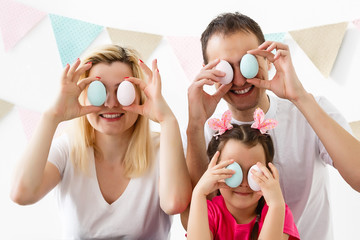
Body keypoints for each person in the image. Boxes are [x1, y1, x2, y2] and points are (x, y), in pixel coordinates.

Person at [182, 12, 360, 240]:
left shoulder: (308, 111)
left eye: (248, 63)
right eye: (226, 69)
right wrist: (195, 126)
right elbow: (197, 221)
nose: (239, 80)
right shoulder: (205, 130)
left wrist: (299, 97)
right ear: (209, 73)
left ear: (267, 58)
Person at [10, 44, 192, 239]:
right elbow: (22, 193)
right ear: (83, 96)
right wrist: (52, 116)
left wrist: (168, 120)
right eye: (99, 90)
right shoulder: (68, 148)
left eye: (123, 90)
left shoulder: (163, 147)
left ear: (140, 95)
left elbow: (175, 203)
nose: (111, 103)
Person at [186, 109, 300, 240]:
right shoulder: (209, 212)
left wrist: (276, 204)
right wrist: (199, 193)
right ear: (214, 170)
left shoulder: (277, 210)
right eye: (234, 171)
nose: (244, 183)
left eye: (254, 172)